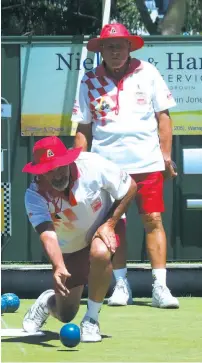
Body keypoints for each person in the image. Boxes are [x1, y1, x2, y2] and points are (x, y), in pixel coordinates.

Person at [72, 22, 179, 308]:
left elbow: (164, 117)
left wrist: (165, 155)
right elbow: (84, 127)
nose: (115, 51)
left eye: (120, 46)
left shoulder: (149, 72)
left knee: (153, 220)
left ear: (129, 47)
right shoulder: (89, 80)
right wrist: (77, 165)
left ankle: (160, 286)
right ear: (101, 50)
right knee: (113, 225)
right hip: (106, 168)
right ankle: (121, 285)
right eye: (110, 46)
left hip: (147, 162)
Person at [22, 136, 136, 342]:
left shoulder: (92, 165)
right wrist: (58, 266)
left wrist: (109, 224)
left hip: (104, 224)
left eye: (59, 166)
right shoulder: (34, 195)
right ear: (40, 172)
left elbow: (130, 186)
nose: (57, 174)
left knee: (101, 253)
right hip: (70, 245)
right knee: (66, 315)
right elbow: (47, 233)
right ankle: (47, 302)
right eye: (49, 170)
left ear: (68, 161)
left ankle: (91, 320)